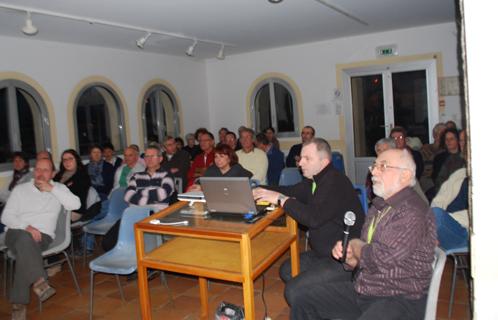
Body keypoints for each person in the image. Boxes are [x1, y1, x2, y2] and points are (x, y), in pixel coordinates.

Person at [291, 149, 436, 320]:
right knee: (302, 298)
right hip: (367, 287)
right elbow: (365, 255)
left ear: (404, 176)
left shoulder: (412, 211)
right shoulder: (379, 205)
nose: (373, 171)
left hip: (399, 297)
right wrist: (350, 258)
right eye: (374, 166)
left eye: (383, 167)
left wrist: (355, 245)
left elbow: (380, 259)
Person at [253, 138, 364, 308]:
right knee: (286, 270)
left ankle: (343, 297)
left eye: (307, 159)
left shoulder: (335, 182)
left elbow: (313, 218)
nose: (300, 163)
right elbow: (290, 191)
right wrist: (261, 189)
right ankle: (325, 289)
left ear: (324, 162)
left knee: (293, 292)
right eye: (300, 158)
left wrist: (281, 200)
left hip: (344, 259)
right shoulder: (314, 180)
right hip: (323, 253)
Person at [1, 158, 81, 320]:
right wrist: (27, 227)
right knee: (25, 238)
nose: (40, 173)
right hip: (16, 232)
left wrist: (52, 189)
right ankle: (39, 279)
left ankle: (19, 303)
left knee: (26, 249)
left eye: (45, 170)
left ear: (53, 173)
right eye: (38, 169)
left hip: (42, 238)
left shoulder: (59, 188)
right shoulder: (21, 189)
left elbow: (76, 204)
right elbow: (6, 216)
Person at [102, 145, 175, 251]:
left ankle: (138, 263)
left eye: (152, 156)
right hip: (134, 214)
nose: (149, 159)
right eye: (146, 156)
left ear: (160, 158)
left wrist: (140, 194)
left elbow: (162, 194)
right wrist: (150, 195)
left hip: (155, 215)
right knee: (108, 243)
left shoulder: (167, 175)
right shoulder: (136, 176)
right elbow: (127, 196)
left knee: (139, 245)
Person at [431, 167, 468, 250]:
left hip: (467, 232)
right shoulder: (461, 173)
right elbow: (439, 200)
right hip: (445, 225)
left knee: (436, 215)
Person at [188, 144, 253, 191]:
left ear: (229, 158)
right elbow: (202, 181)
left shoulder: (236, 168)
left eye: (221, 156)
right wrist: (197, 186)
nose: (218, 160)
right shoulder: (212, 169)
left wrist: (203, 188)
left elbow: (224, 184)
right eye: (216, 156)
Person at [0, 152, 33, 233]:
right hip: (9, 204)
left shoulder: (29, 176)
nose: (17, 163)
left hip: (18, 208)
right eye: (15, 161)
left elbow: (18, 197)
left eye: (20, 160)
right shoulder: (16, 176)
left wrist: (3, 197)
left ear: (25, 163)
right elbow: (8, 191)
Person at [430, 128, 466, 197]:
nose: (448, 141)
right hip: (444, 190)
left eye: (451, 139)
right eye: (446, 139)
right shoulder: (439, 158)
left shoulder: (463, 157)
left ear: (458, 140)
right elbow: (437, 178)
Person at [419, 122, 447, 191]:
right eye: (440, 134)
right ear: (434, 135)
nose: (443, 137)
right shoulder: (425, 149)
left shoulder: (448, 150)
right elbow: (423, 170)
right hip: (428, 180)